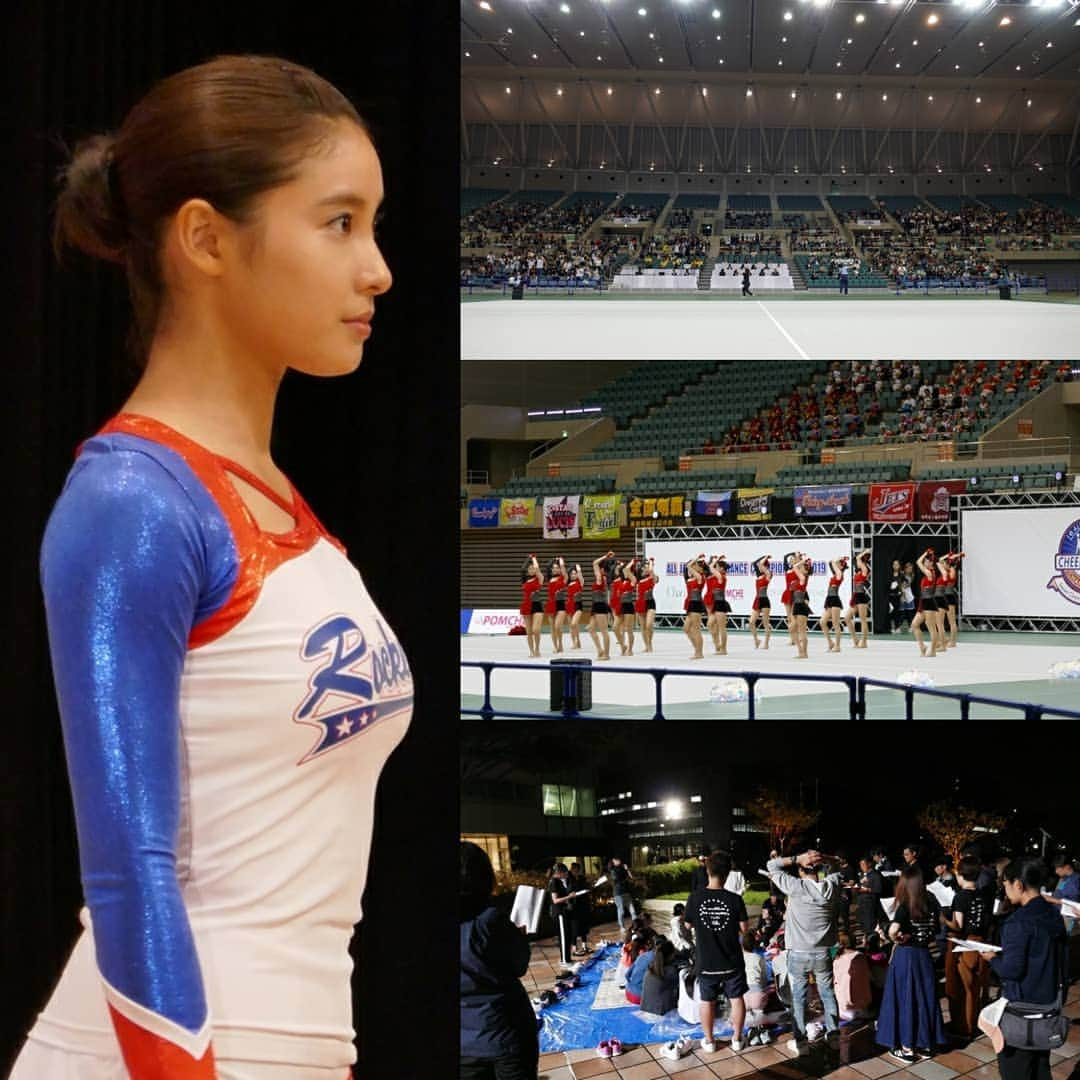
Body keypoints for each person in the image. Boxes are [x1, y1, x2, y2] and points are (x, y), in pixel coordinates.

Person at [10, 55, 409, 1080]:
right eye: (338, 222)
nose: (377, 268)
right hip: (162, 1056)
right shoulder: (132, 504)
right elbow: (128, 873)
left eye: (372, 224)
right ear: (204, 240)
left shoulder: (282, 501)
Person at [460, 842, 539, 1080]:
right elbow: (519, 965)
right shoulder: (489, 921)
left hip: (464, 1042)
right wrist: (518, 938)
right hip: (505, 1033)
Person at [988, 858, 1068, 1080]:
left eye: (1005, 884)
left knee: (1017, 1069)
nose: (1004, 890)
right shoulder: (1053, 914)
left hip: (1022, 1009)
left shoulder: (1018, 922)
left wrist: (992, 958)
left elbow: (1011, 971)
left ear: (1019, 884)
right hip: (1049, 1004)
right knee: (1040, 1066)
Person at [765, 849, 844, 1055]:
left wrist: (796, 859)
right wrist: (825, 857)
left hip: (798, 953)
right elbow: (839, 865)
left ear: (800, 871)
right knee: (827, 995)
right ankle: (834, 1036)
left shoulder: (796, 887)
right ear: (820, 868)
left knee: (799, 998)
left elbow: (771, 866)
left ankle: (801, 1042)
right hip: (823, 953)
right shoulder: (832, 885)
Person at [876, 866, 946, 1064]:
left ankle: (906, 1048)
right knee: (924, 998)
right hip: (925, 956)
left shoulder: (905, 905)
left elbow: (894, 932)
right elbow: (935, 929)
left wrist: (889, 934)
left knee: (906, 999)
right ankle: (925, 1045)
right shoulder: (932, 901)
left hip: (906, 957)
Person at [684, 851, 750, 1054]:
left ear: (707, 869)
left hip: (707, 962)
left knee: (707, 1000)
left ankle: (710, 1041)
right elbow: (745, 929)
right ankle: (737, 1039)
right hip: (732, 960)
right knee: (736, 998)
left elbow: (687, 925)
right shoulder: (735, 899)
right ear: (728, 872)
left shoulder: (694, 898)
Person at [942, 856, 993, 1038]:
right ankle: (975, 1023)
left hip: (963, 945)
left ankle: (963, 1027)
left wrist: (943, 918)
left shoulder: (961, 897)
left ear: (960, 875)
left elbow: (958, 925)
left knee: (960, 988)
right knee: (975, 987)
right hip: (981, 944)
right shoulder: (984, 894)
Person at [640, 937, 679, 1015]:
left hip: (645, 1007)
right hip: (660, 1011)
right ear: (671, 955)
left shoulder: (651, 968)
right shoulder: (670, 971)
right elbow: (678, 986)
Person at [546, 863, 575, 967]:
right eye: (565, 872)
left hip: (563, 912)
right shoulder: (554, 882)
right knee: (563, 937)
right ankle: (564, 960)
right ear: (559, 873)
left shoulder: (558, 881)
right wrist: (568, 897)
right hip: (559, 913)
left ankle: (567, 958)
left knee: (567, 936)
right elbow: (555, 900)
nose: (567, 874)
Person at [854, 855, 886, 945]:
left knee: (870, 925)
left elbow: (878, 889)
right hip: (862, 904)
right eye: (860, 864)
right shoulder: (863, 875)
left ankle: (873, 945)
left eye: (863, 864)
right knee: (863, 925)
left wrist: (867, 889)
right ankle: (866, 942)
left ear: (869, 864)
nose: (861, 866)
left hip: (871, 904)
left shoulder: (875, 875)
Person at [819, 555, 847, 653]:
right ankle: (830, 643)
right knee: (822, 622)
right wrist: (839, 560)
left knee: (835, 624)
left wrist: (840, 559)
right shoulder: (835, 574)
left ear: (841, 566)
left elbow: (832, 562)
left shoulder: (840, 573)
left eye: (839, 564)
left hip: (835, 600)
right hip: (829, 599)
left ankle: (838, 646)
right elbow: (831, 562)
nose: (837, 564)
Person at [589, 551, 613, 661]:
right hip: (596, 605)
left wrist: (605, 556)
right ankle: (600, 650)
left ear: (602, 569)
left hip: (600, 605)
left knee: (604, 631)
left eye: (599, 568)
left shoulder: (600, 577)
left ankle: (606, 654)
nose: (597, 569)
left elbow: (594, 563)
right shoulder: (601, 578)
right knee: (591, 629)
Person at [683, 556, 707, 660]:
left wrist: (696, 558)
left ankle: (699, 652)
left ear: (700, 568)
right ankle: (697, 648)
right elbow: (687, 568)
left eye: (695, 565)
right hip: (690, 604)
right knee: (686, 628)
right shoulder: (691, 578)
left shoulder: (700, 577)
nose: (693, 567)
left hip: (696, 603)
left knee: (696, 629)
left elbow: (688, 565)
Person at [705, 556, 731, 656]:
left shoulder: (721, 577)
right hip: (715, 603)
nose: (715, 568)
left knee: (721, 628)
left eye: (718, 567)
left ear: (721, 569)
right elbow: (710, 569)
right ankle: (718, 644)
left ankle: (724, 649)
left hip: (720, 603)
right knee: (710, 624)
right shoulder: (716, 576)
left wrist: (715, 561)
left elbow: (710, 567)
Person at [846, 550, 871, 648]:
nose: (856, 563)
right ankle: (855, 640)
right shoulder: (858, 572)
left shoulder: (865, 569)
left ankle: (864, 642)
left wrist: (864, 552)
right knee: (847, 618)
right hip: (856, 596)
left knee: (863, 620)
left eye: (858, 561)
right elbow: (857, 559)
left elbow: (857, 558)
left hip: (861, 596)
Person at [521, 555, 545, 658]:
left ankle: (537, 649)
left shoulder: (539, 578)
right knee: (529, 631)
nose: (531, 570)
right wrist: (528, 560)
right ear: (527, 570)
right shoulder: (524, 580)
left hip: (537, 605)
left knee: (536, 630)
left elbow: (538, 569)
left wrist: (533, 558)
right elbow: (522, 568)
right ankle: (531, 651)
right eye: (529, 569)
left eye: (533, 568)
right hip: (526, 605)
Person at [741, 932, 770, 1014]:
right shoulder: (759, 957)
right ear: (754, 945)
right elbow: (764, 979)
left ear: (742, 945)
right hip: (757, 997)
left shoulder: (738, 959)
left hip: (742, 997)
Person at [791, 553, 812, 660]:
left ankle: (804, 653)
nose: (800, 568)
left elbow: (795, 567)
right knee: (792, 628)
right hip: (797, 605)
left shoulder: (803, 577)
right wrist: (802, 561)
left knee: (802, 630)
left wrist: (804, 561)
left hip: (801, 606)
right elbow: (796, 567)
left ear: (806, 570)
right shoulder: (802, 578)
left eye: (802, 567)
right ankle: (801, 651)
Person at [634, 557, 657, 654]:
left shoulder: (653, 577)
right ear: (642, 568)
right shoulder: (638, 579)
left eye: (648, 567)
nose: (648, 568)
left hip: (650, 602)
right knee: (643, 627)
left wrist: (651, 562)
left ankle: (650, 644)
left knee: (649, 625)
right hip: (641, 602)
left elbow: (651, 571)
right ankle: (647, 646)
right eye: (646, 567)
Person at [568, 861, 591, 956]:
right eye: (575, 870)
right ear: (572, 870)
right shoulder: (569, 879)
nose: (577, 872)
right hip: (574, 906)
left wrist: (589, 888)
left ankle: (585, 946)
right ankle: (574, 948)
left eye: (578, 870)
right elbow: (568, 891)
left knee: (584, 927)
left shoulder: (582, 878)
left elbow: (586, 887)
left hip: (583, 905)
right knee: (575, 928)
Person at [749, 554, 772, 650]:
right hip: (757, 599)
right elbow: (757, 563)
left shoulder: (768, 575)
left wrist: (766, 557)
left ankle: (766, 643)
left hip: (764, 600)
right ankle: (756, 640)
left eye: (761, 566)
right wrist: (764, 557)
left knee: (765, 623)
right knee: (751, 622)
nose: (759, 567)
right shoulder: (759, 576)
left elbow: (760, 564)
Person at [545, 556, 568, 655]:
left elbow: (564, 572)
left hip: (561, 603)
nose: (555, 569)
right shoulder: (549, 579)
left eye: (557, 567)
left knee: (558, 626)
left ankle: (560, 644)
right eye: (553, 568)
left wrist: (560, 561)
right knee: (552, 628)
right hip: (551, 604)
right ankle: (555, 646)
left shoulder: (563, 578)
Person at [609, 856, 637, 931]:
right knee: (621, 911)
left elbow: (632, 877)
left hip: (626, 892)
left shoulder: (623, 868)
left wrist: (627, 869)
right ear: (613, 861)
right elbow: (617, 879)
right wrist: (625, 878)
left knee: (633, 911)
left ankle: (637, 926)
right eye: (617, 860)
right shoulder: (613, 870)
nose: (619, 861)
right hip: (618, 894)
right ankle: (622, 926)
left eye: (619, 859)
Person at [566, 563, 585, 650]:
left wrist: (578, 569)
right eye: (572, 574)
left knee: (574, 624)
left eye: (575, 574)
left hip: (578, 605)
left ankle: (577, 642)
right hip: (569, 605)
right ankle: (576, 642)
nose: (574, 575)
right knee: (572, 626)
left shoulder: (580, 583)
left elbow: (581, 577)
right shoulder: (568, 584)